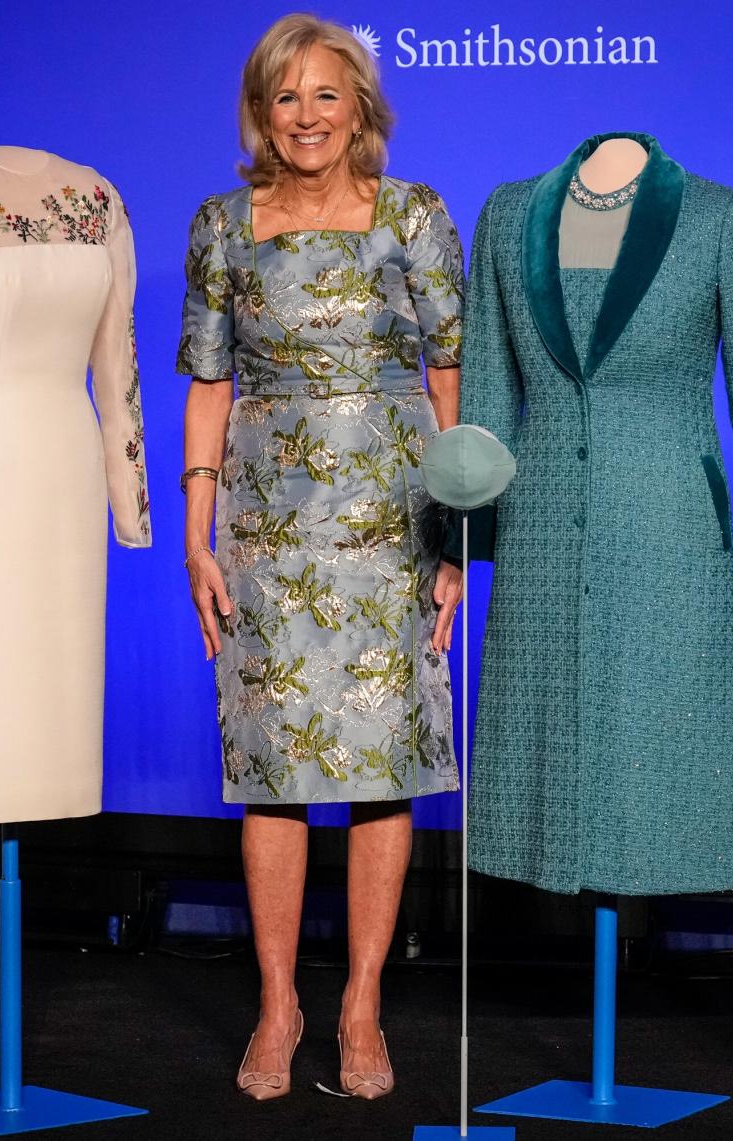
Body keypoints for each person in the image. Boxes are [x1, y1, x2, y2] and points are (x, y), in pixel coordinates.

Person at [177, 13, 464, 1101]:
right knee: (275, 778)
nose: (305, 116)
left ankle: (360, 1008)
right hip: (266, 523)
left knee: (384, 773)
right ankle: (279, 1004)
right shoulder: (220, 226)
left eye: (325, 95)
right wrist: (198, 538)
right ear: (262, 111)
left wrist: (454, 537)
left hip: (394, 520)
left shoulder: (416, 217)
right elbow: (208, 384)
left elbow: (449, 380)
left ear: (361, 111)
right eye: (284, 97)